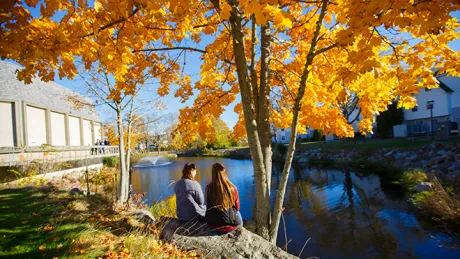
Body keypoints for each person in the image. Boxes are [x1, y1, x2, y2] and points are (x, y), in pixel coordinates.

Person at [205, 163, 243, 233]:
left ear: (213, 174)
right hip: (230, 225)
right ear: (225, 173)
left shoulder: (208, 188)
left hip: (213, 224)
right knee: (238, 213)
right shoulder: (233, 188)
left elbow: (208, 206)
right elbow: (237, 208)